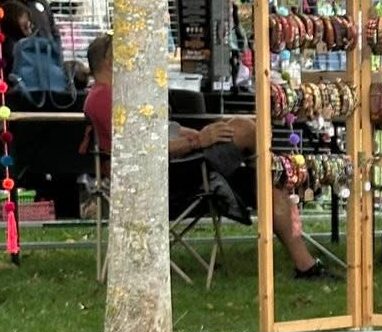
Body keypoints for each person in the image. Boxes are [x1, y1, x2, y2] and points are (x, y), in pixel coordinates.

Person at [82, 34, 324, 279]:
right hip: (164, 178)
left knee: (267, 177)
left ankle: (304, 261)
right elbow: (145, 150)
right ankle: (275, 175)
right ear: (111, 61)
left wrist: (201, 135)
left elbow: (160, 132)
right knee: (247, 132)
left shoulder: (113, 96)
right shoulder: (104, 98)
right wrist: (199, 141)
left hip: (174, 168)